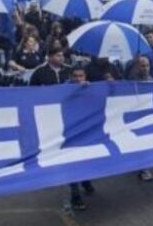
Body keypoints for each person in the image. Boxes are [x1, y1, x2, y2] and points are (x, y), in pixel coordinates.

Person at [64, 68, 95, 212]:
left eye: (81, 76)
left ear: (85, 76)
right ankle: (75, 196)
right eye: (75, 76)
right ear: (71, 77)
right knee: (72, 164)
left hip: (84, 132)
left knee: (85, 159)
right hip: (69, 134)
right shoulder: (64, 89)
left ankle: (86, 180)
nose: (78, 79)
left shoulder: (90, 88)